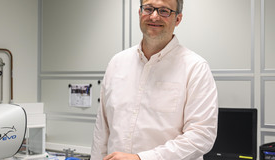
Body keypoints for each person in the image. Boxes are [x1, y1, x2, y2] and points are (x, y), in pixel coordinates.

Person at [91, 0, 218, 159]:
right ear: (139, 13)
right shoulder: (117, 63)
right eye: (149, 9)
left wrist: (141, 158)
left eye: (164, 11)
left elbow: (201, 136)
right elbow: (102, 130)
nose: (154, 16)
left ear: (177, 19)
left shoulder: (195, 68)